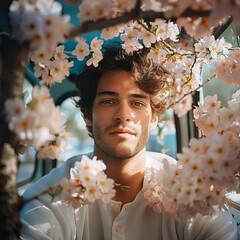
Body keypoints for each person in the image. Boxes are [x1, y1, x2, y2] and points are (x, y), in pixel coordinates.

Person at [20, 47, 238, 240]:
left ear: (154, 117)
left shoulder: (192, 192)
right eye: (108, 101)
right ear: (88, 114)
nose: (123, 115)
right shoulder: (53, 195)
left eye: (136, 102)